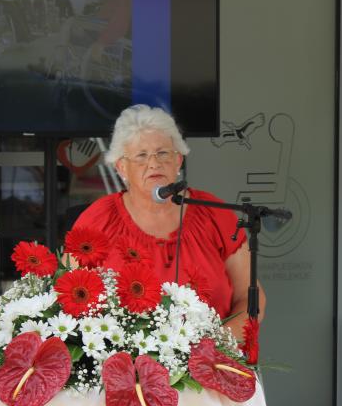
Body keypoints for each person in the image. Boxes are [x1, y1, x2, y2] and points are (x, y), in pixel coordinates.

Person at [72, 104, 263, 338]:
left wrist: (218, 344)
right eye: (141, 156)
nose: (154, 163)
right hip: (123, 359)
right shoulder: (97, 220)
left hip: (212, 354)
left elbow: (250, 297)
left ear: (178, 160)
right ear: (122, 167)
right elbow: (69, 293)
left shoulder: (215, 214)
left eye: (163, 153)